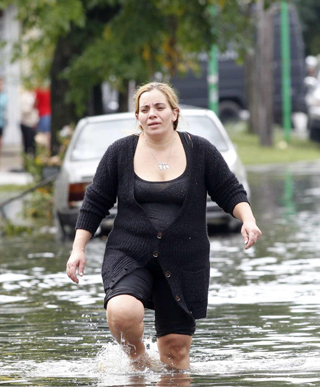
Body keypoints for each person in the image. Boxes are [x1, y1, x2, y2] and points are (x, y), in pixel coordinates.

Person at [65, 82, 262, 371]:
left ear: (174, 113)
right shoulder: (120, 152)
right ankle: (138, 362)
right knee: (121, 311)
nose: (152, 114)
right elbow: (95, 202)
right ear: (137, 117)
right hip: (129, 253)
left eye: (159, 107)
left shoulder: (201, 151)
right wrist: (77, 249)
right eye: (144, 109)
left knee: (175, 354)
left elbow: (230, 190)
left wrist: (248, 220)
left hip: (184, 259)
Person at [20, 88, 38, 156]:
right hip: (26, 123)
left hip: (33, 123)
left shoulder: (34, 95)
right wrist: (32, 106)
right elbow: (24, 110)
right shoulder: (24, 96)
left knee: (34, 144)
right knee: (27, 144)